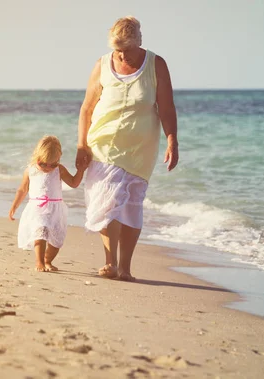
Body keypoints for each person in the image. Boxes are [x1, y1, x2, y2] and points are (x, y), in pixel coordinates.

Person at [75, 16, 179, 281]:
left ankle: (125, 268)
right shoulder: (102, 64)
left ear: (139, 41)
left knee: (132, 205)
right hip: (103, 145)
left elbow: (166, 108)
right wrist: (81, 145)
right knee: (107, 200)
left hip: (140, 149)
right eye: (117, 49)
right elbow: (87, 108)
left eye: (126, 50)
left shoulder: (156, 65)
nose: (121, 55)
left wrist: (172, 140)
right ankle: (109, 263)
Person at [9, 135, 88, 272]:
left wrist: (81, 170)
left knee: (56, 241)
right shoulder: (31, 170)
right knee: (40, 233)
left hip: (56, 210)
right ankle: (39, 262)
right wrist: (14, 206)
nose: (48, 167)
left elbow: (74, 183)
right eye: (43, 164)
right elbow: (22, 190)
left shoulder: (59, 169)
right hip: (37, 208)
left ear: (59, 159)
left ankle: (47, 261)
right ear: (37, 156)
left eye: (53, 164)